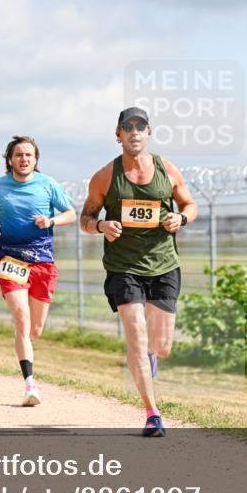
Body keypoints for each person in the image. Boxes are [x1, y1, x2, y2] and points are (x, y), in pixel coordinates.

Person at [80, 107, 197, 437]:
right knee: (136, 335)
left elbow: (190, 205)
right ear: (118, 134)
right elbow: (85, 219)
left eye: (140, 126)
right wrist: (101, 226)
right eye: (127, 127)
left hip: (164, 265)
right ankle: (152, 413)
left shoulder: (167, 170)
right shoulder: (105, 177)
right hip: (124, 267)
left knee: (161, 345)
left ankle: (149, 355)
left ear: (149, 132)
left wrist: (181, 218)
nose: (134, 132)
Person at [0, 136, 76, 406]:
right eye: (19, 155)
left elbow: (70, 213)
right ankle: (30, 384)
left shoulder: (48, 184)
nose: (24, 159)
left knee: (35, 329)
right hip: (11, 259)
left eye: (29, 155)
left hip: (42, 260)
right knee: (21, 316)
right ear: (10, 159)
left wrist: (51, 220)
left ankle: (24, 344)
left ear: (35, 159)